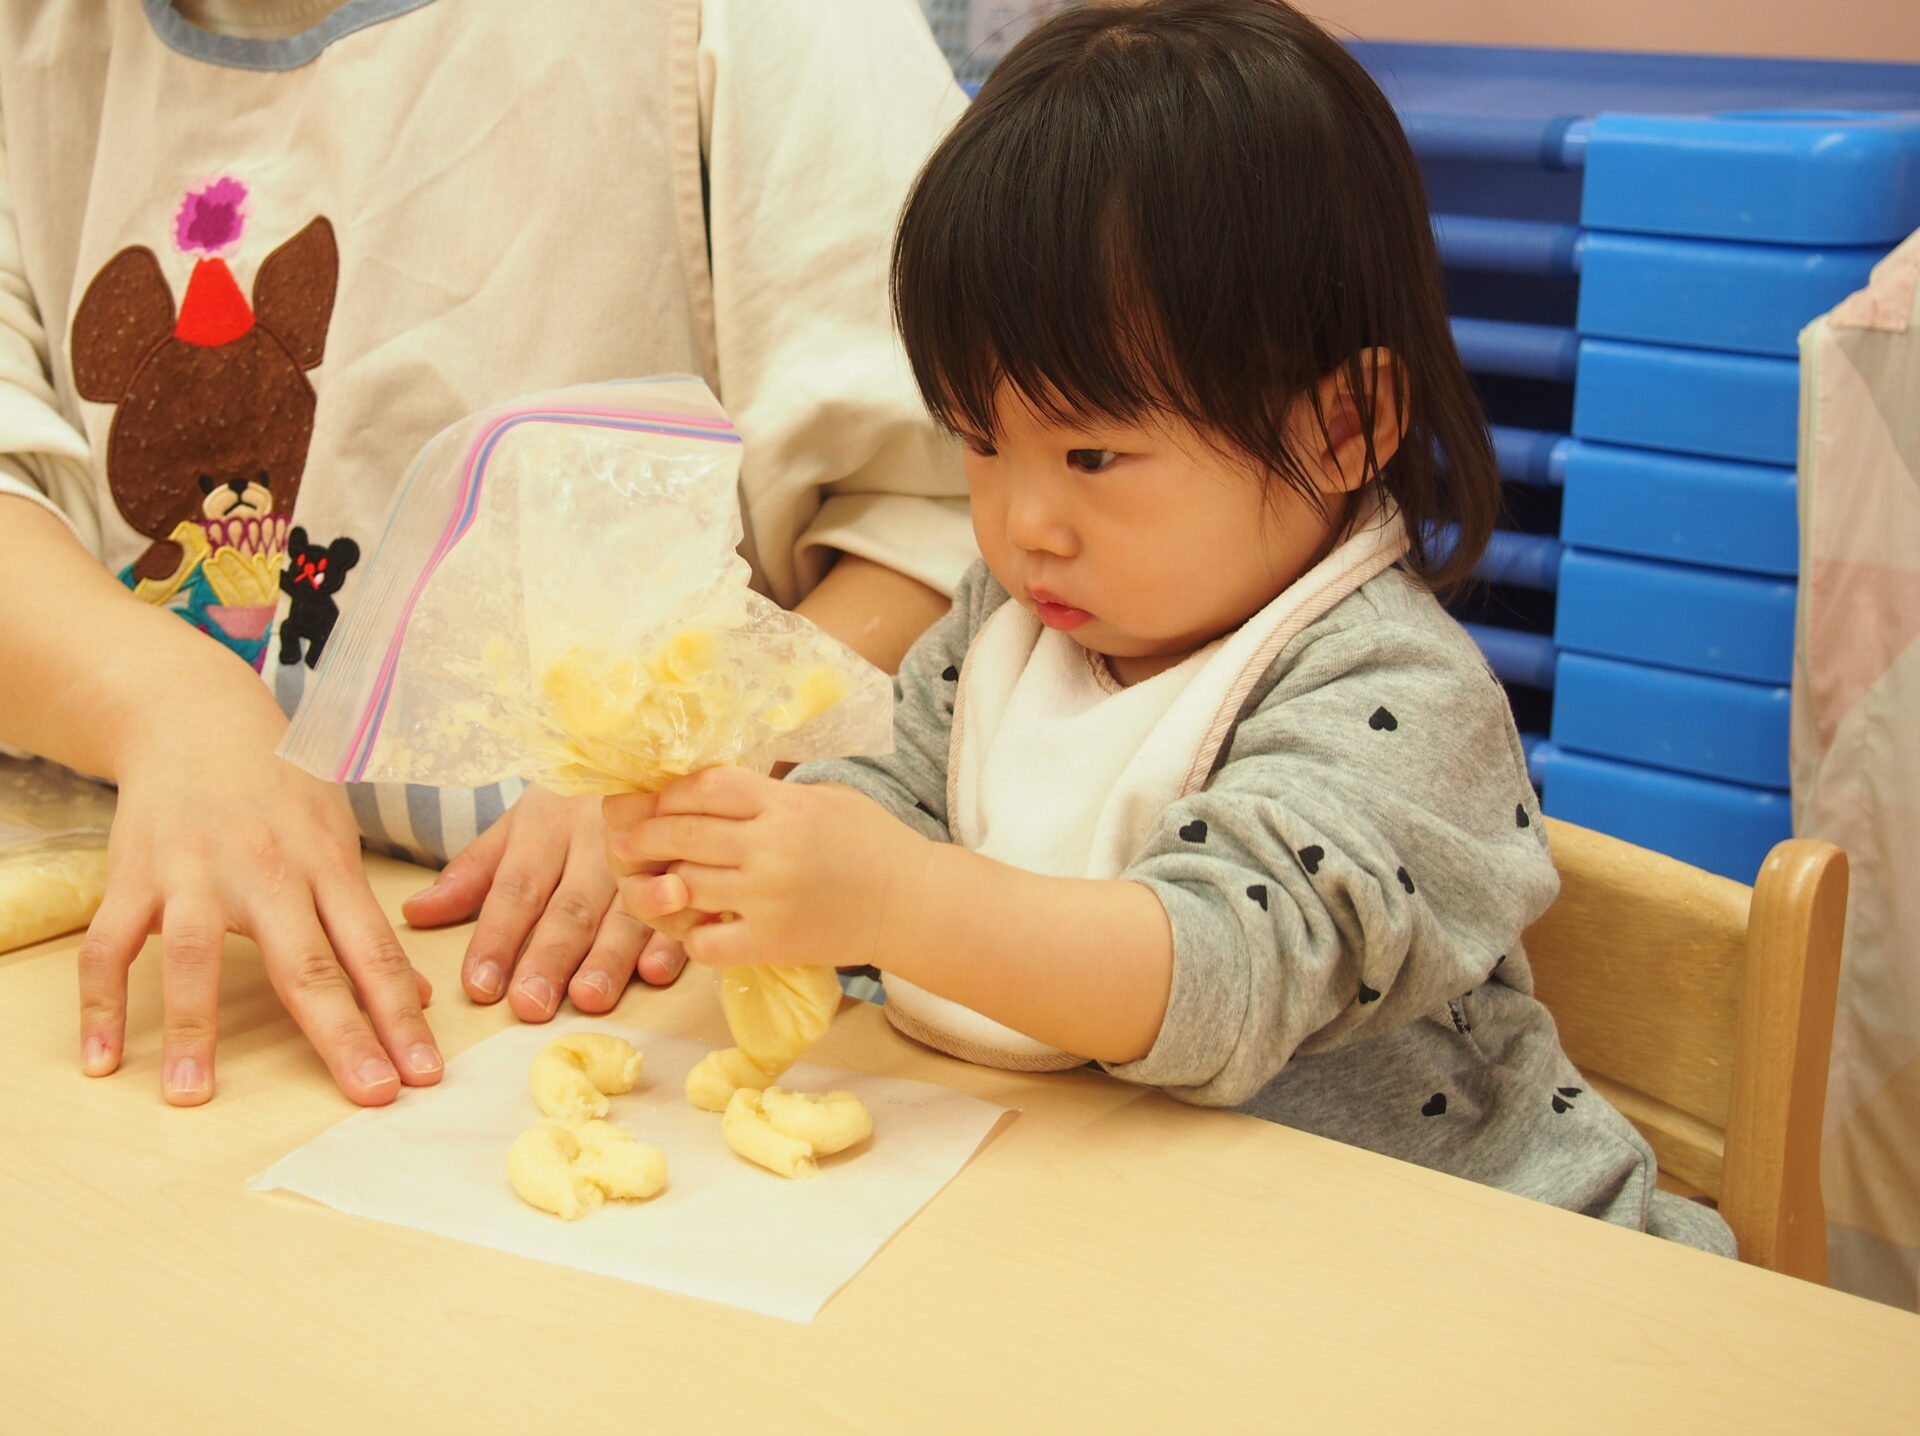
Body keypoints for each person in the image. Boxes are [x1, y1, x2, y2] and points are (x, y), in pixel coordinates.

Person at [604, 0, 1735, 1252]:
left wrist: (889, 897)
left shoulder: (1395, 693)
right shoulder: (1009, 625)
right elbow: (893, 790)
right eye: (981, 441)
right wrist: (754, 858)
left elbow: (1216, 972)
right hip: (1159, 1237)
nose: (1024, 523)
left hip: (1493, 1264)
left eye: (1092, 455)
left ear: (1343, 427)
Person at [0, 0, 972, 1106]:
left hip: (657, 956)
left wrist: (698, 755)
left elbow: (953, 507)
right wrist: (163, 698)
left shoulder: (758, 27)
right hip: (212, 936)